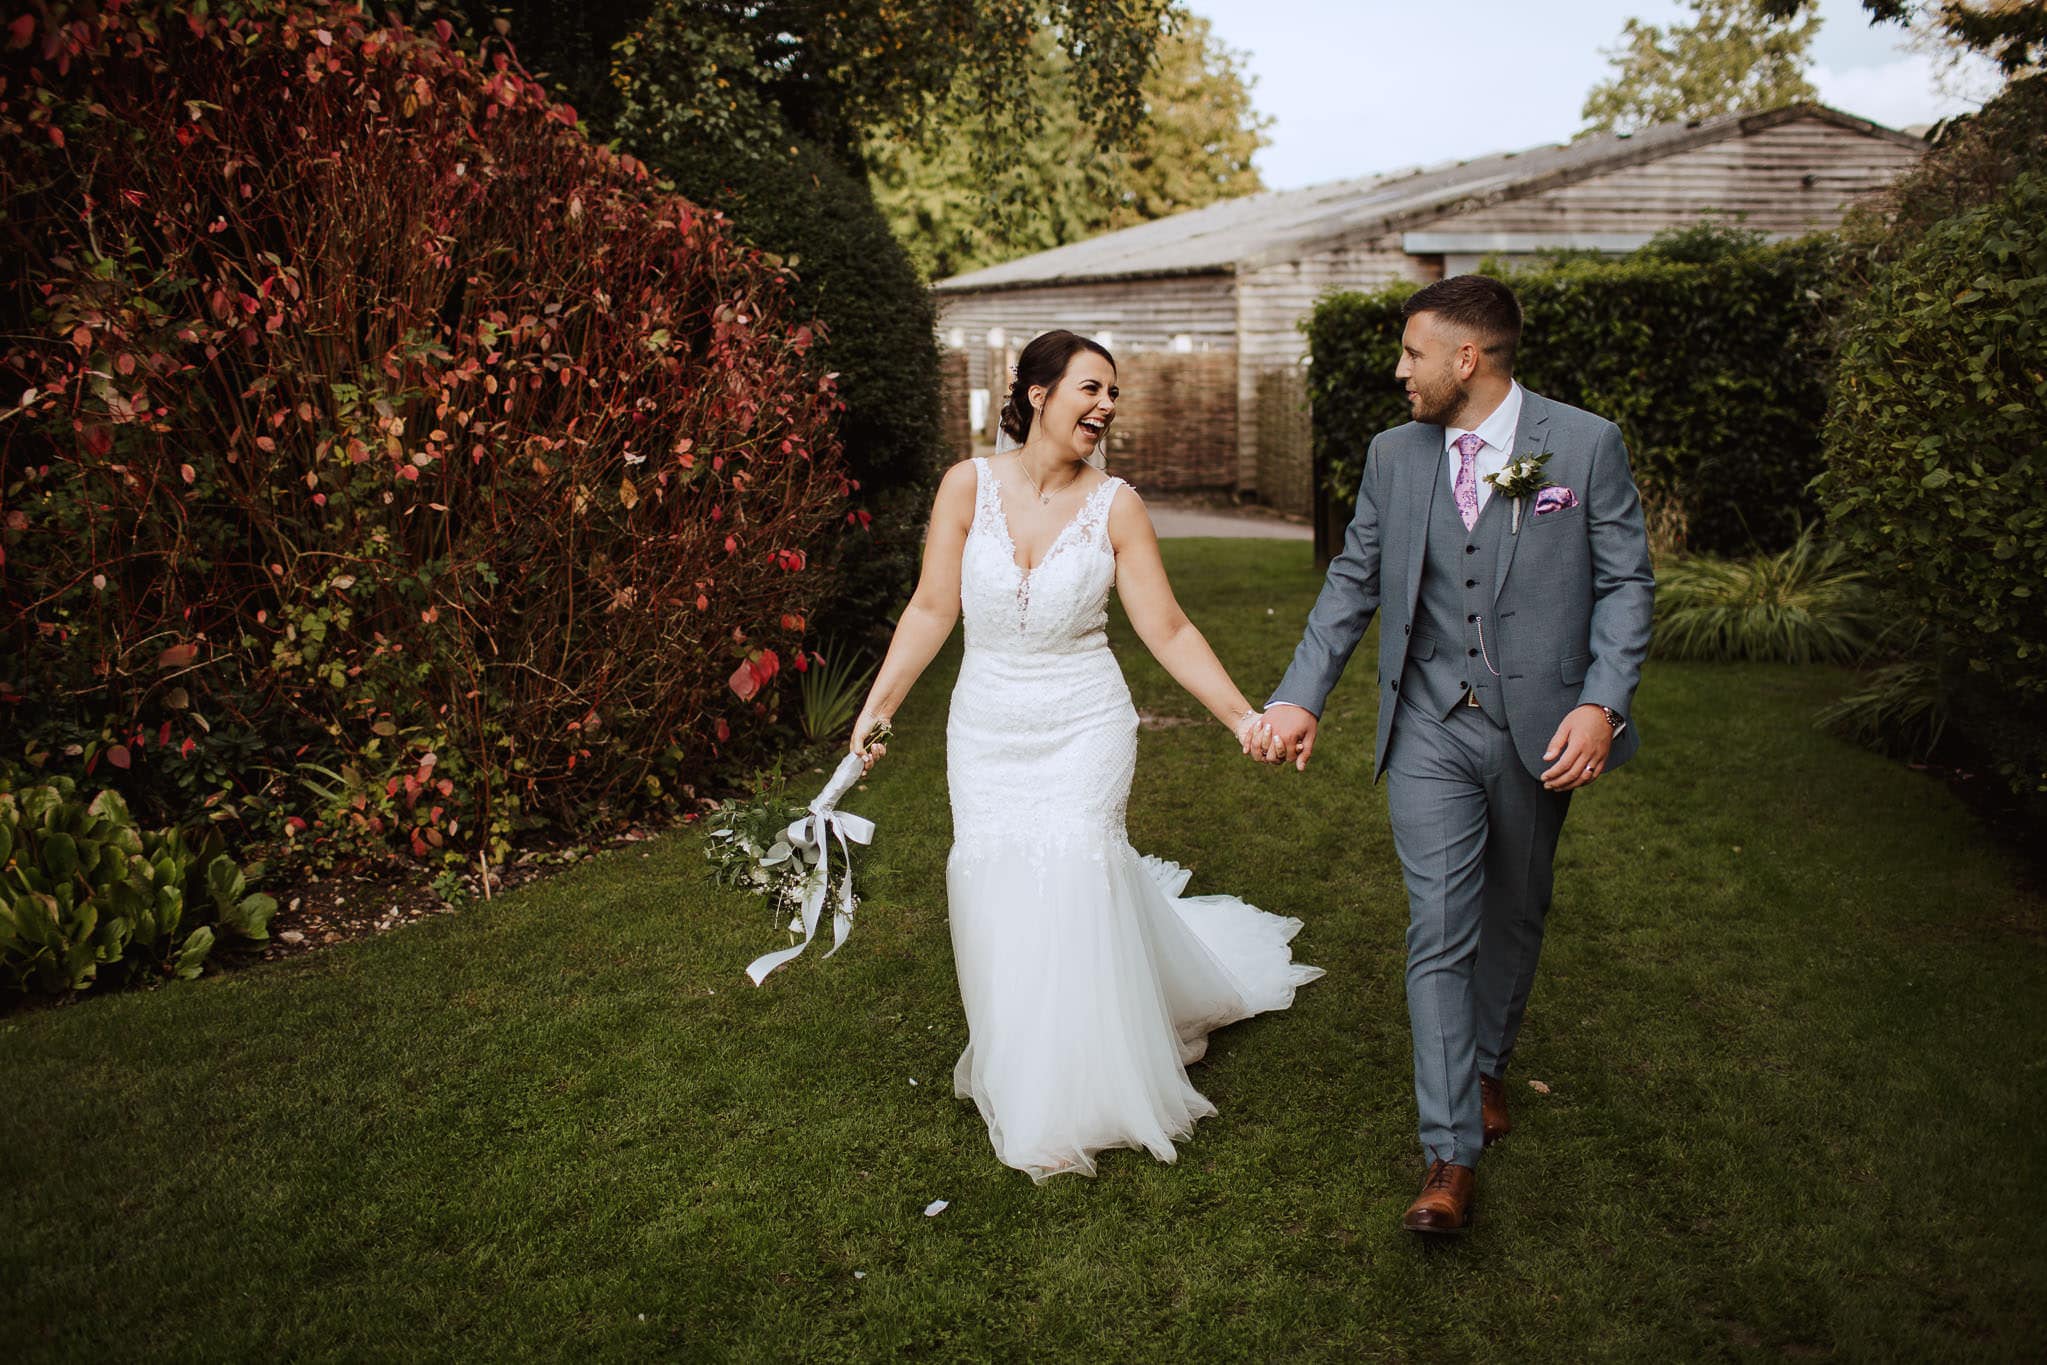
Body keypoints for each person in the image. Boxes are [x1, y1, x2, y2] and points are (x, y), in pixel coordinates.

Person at [850, 330, 1323, 1183]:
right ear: (1036, 393)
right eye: (1090, 389)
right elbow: (929, 607)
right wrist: (878, 709)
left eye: (1112, 394)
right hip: (986, 721)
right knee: (991, 876)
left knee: (1073, 869)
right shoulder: (966, 486)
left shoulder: (1117, 505)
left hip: (1083, 718)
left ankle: (1080, 1090)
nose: (1105, 407)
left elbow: (1167, 627)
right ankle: (1025, 1057)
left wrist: (1241, 716)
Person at [1254, 275, 1653, 1235]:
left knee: (1514, 911)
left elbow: (1627, 585)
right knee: (1438, 924)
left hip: (1541, 724)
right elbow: (1353, 579)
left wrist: (1601, 702)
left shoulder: (1583, 443)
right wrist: (1300, 691)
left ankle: (1484, 1066)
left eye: (1412, 354)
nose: (1400, 371)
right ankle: (1447, 1154)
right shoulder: (1396, 456)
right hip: (1428, 718)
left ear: (1465, 359)